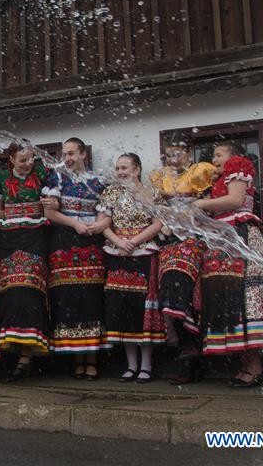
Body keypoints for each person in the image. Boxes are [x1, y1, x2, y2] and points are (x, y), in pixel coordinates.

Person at [194, 141, 263, 386]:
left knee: (246, 295)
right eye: (213, 155)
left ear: (233, 156)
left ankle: (254, 365)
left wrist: (200, 204)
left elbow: (235, 200)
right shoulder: (217, 179)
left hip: (240, 235)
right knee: (233, 297)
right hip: (225, 239)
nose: (214, 159)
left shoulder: (238, 165)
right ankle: (246, 362)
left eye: (219, 154)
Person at [149, 136, 217, 384]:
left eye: (177, 153)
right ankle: (184, 353)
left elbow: (209, 206)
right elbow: (156, 207)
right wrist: (165, 223)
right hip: (168, 239)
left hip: (194, 236)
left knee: (180, 289)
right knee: (168, 294)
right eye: (169, 155)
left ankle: (193, 355)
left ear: (189, 152)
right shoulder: (161, 178)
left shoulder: (201, 172)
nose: (173, 159)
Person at [94, 153, 166, 382]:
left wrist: (134, 242)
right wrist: (118, 242)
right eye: (118, 168)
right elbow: (102, 224)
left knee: (142, 309)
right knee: (122, 307)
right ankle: (130, 364)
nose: (120, 172)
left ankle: (146, 365)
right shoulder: (111, 193)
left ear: (137, 169)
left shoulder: (151, 193)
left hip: (142, 252)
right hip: (117, 252)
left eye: (125, 167)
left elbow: (158, 223)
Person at [41, 138, 107, 380]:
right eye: (64, 154)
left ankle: (92, 358)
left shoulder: (98, 181)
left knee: (91, 297)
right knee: (68, 297)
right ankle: (77, 358)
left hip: (91, 242)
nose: (67, 158)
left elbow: (104, 213)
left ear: (83, 155)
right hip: (65, 242)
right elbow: (50, 212)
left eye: (71, 154)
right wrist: (76, 223)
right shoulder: (57, 178)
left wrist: (95, 226)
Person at [0, 143, 50, 380]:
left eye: (30, 159)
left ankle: (31, 352)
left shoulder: (42, 173)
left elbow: (50, 204)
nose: (28, 164)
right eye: (23, 160)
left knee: (31, 289)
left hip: (35, 237)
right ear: (11, 159)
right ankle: (13, 350)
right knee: (9, 291)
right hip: (8, 239)